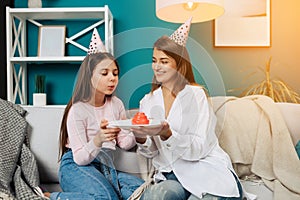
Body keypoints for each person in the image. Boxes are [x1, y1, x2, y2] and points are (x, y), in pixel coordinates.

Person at [131, 18, 245, 200]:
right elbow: (152, 152)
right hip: (170, 174)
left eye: (164, 61)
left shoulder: (196, 96)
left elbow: (199, 148)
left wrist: (168, 134)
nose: (157, 67)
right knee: (157, 196)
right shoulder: (148, 101)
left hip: (205, 168)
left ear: (179, 64)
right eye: (154, 60)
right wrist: (140, 137)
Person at [47, 29, 144, 200]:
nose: (112, 78)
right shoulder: (77, 110)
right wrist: (98, 139)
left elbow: (126, 144)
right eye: (104, 73)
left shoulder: (116, 104)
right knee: (106, 198)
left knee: (142, 190)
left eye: (115, 73)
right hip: (76, 166)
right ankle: (54, 197)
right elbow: (80, 159)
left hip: (106, 166)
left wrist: (134, 129)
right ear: (89, 75)